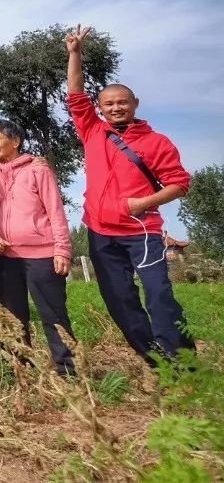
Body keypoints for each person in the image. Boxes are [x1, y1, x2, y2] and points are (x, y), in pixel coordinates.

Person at [65, 25, 194, 366]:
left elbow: (180, 183)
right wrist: (75, 54)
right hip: (100, 232)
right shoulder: (93, 130)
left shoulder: (157, 142)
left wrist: (144, 203)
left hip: (143, 232)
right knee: (119, 299)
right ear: (101, 108)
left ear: (135, 104)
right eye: (109, 103)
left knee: (159, 295)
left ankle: (181, 359)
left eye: (123, 102)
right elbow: (76, 97)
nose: (117, 107)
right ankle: (155, 360)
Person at [0, 119, 76, 375]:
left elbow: (55, 209)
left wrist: (62, 249)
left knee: (53, 313)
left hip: (42, 254)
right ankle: (20, 368)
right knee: (14, 315)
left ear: (15, 141)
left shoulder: (37, 169)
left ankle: (68, 370)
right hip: (6, 256)